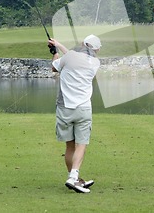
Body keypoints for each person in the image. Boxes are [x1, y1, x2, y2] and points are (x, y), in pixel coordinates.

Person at [48, 34, 101, 193]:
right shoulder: (95, 63)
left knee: (70, 145)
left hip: (64, 107)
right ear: (96, 50)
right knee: (81, 144)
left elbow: (55, 67)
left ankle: (74, 178)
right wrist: (59, 45)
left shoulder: (70, 57)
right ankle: (74, 178)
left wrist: (55, 52)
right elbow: (73, 56)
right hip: (83, 108)